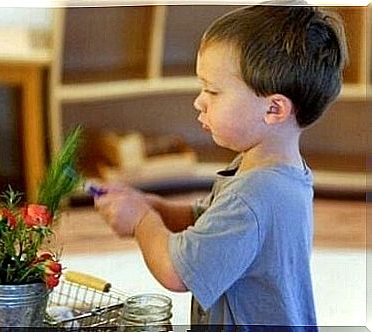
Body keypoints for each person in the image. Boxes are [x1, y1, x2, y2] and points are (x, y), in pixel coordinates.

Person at [94, 2, 347, 329]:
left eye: (212, 90)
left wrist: (142, 221)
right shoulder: (273, 173)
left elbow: (176, 272)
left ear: (273, 109)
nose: (199, 101)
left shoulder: (253, 196)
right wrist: (152, 205)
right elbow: (211, 223)